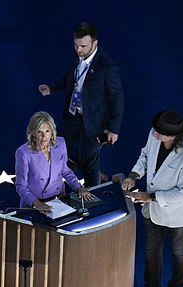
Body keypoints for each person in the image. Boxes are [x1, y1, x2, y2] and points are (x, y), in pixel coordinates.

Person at [121, 110, 183, 287]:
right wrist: (133, 175)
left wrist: (150, 197)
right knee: (151, 253)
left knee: (179, 252)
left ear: (173, 136)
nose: (154, 134)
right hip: (153, 212)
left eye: (159, 133)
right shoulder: (155, 134)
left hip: (177, 214)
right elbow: (145, 156)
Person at [38, 22, 124, 187]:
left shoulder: (108, 67)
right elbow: (70, 77)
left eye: (83, 46)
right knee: (61, 150)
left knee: (89, 159)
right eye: (76, 45)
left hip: (94, 123)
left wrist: (114, 128)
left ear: (95, 43)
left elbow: (117, 98)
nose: (78, 50)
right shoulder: (78, 56)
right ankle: (57, 189)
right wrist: (52, 88)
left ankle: (93, 197)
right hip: (73, 117)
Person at [15, 111, 93, 211]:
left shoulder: (60, 143)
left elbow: (66, 171)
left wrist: (79, 188)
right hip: (35, 204)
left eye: (47, 131)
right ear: (33, 133)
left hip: (59, 200)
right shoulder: (23, 152)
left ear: (52, 132)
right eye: (39, 132)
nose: (44, 137)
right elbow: (21, 186)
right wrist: (37, 204)